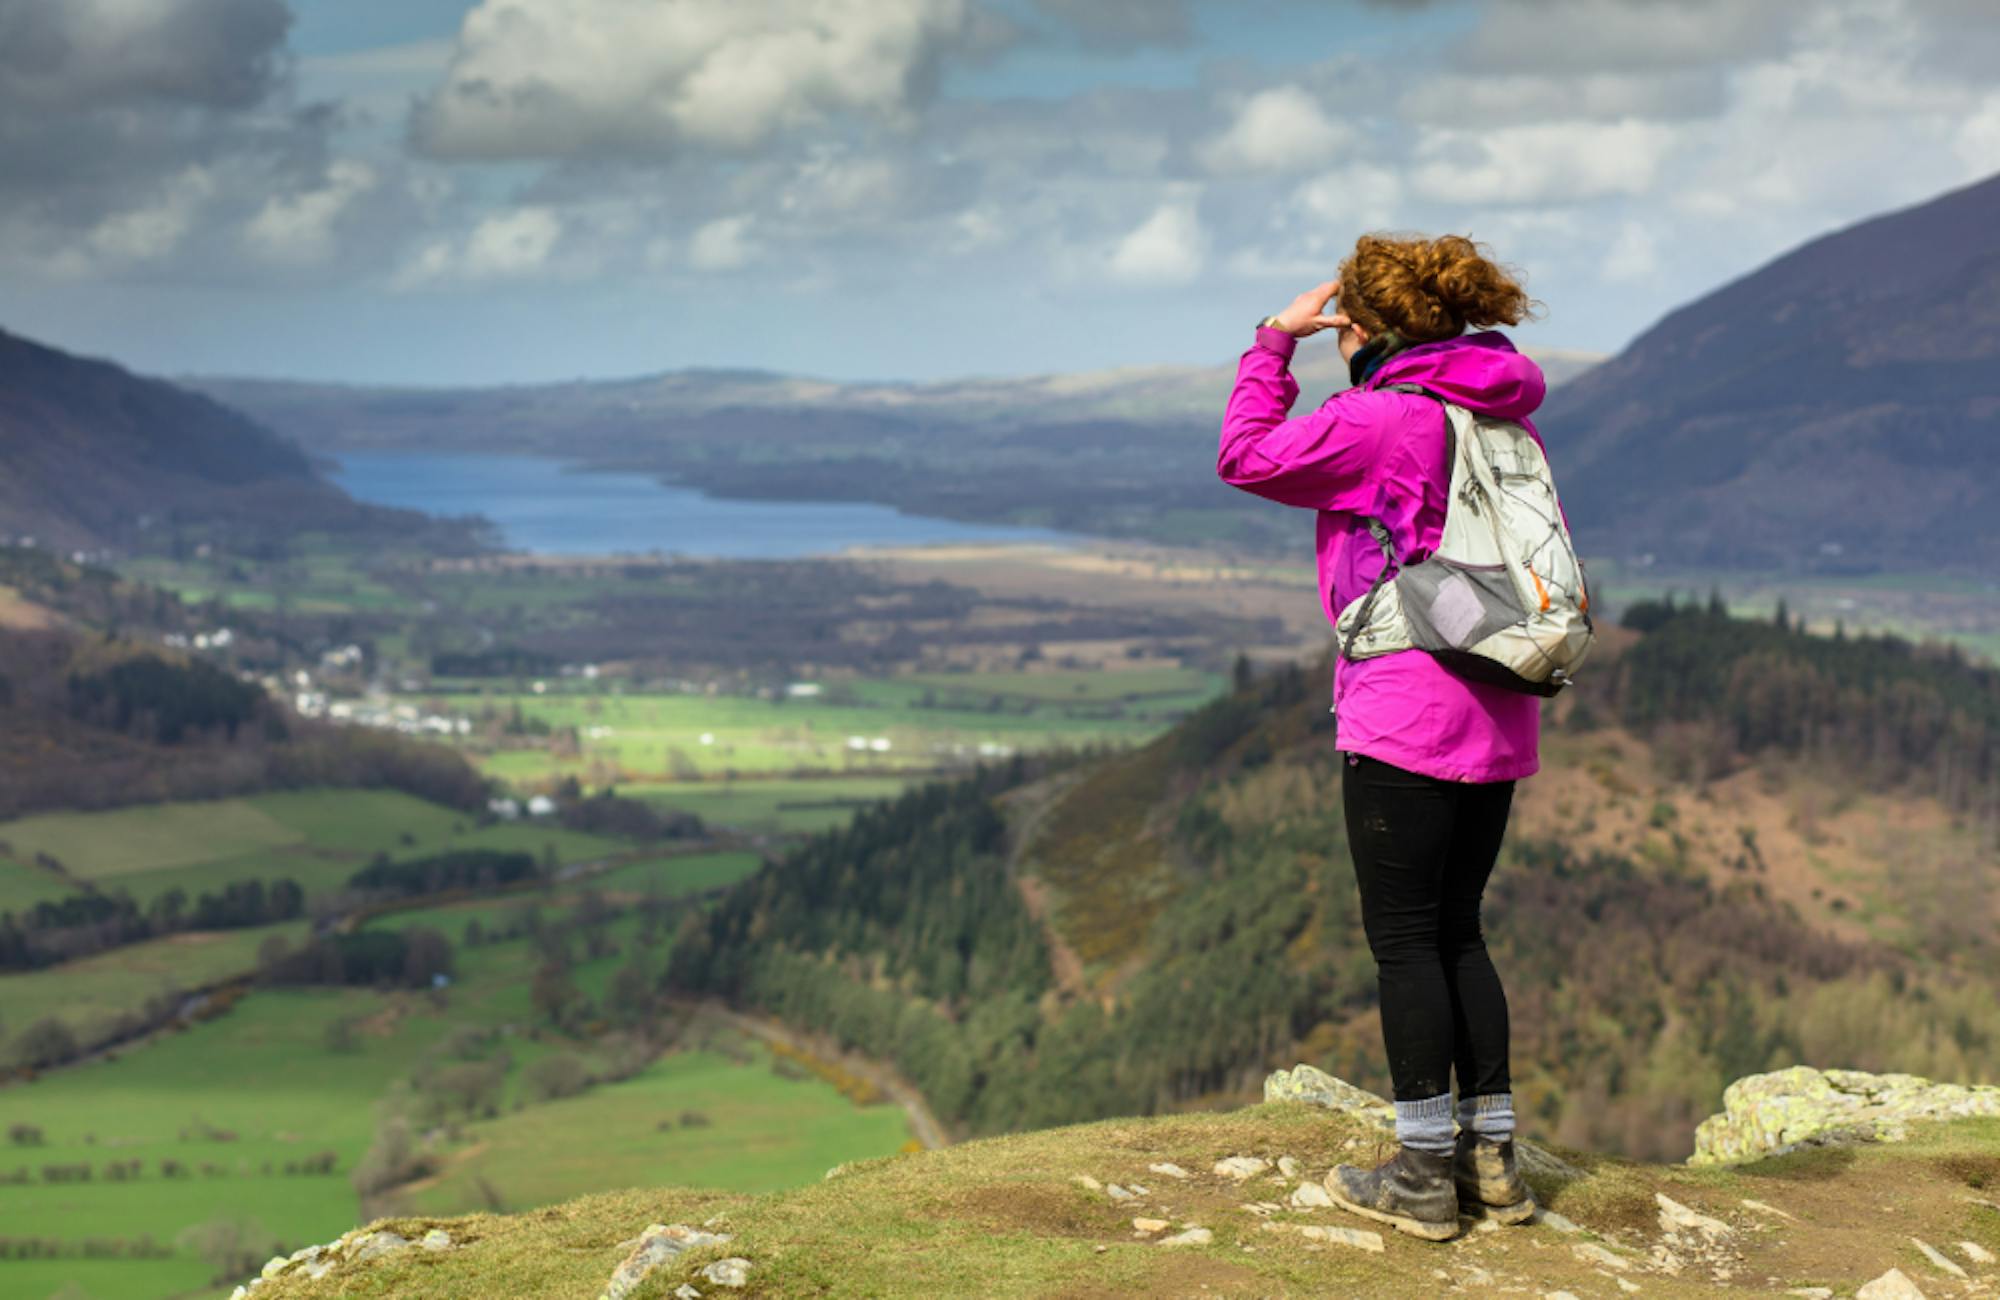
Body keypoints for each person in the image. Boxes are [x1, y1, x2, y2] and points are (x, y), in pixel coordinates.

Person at [1216, 233, 1546, 1241]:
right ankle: (1490, 1161)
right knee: (1459, 931)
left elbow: (1244, 458)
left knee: (1402, 939)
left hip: (1405, 705)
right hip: (1499, 697)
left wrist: (1271, 342)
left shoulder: (1380, 420)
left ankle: (1416, 1174)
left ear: (1359, 328)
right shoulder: (1495, 415)